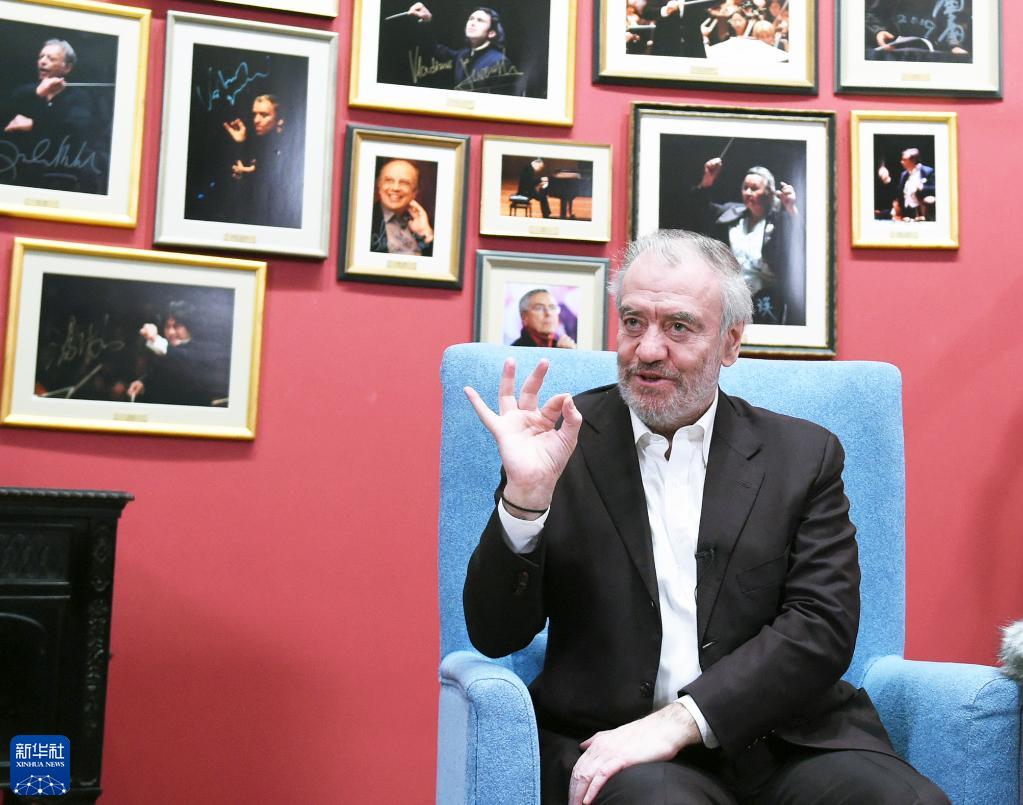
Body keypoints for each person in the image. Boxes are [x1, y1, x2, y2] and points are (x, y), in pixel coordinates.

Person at [463, 230, 950, 805]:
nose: (647, 350)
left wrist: (682, 720)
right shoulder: (561, 443)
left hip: (790, 740)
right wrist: (525, 500)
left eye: (679, 326)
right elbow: (495, 634)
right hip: (623, 747)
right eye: (633, 322)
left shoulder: (802, 456)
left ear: (730, 342)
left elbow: (821, 625)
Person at [687, 156, 805, 326]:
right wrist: (707, 181)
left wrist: (791, 208)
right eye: (745, 188)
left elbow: (803, 241)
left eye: (754, 188)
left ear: (770, 193)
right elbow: (697, 209)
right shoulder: (731, 214)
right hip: (732, 297)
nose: (748, 192)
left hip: (767, 299)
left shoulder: (780, 221)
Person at [1, 39, 105, 192]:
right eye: (41, 57)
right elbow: (6, 112)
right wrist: (37, 93)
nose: (42, 61)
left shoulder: (79, 98)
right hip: (19, 173)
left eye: (51, 58)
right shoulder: (26, 92)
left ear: (67, 68)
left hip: (59, 175)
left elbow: (74, 131)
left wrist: (33, 125)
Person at [127, 301, 229, 407]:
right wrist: (143, 383)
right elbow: (160, 374)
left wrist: (154, 338)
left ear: (190, 327)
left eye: (177, 326)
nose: (171, 332)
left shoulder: (203, 349)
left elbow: (181, 359)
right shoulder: (169, 352)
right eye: (167, 326)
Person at [221, 94, 301, 228]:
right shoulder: (257, 144)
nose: (256, 120)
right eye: (255, 114)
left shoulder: (292, 149)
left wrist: (252, 176)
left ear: (280, 121)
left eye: (264, 115)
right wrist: (240, 143)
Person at [405, 4, 522, 93]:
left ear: (491, 33)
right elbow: (433, 49)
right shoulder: (462, 55)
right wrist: (426, 20)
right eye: (471, 18)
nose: (472, 23)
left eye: (480, 20)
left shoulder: (499, 62)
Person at [865, 0, 972, 62]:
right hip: (893, 53)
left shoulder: (949, 3)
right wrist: (878, 32)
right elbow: (873, 14)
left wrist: (953, 46)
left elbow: (951, 26)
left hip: (931, 57)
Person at [370, 158, 433, 256]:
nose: (395, 188)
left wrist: (425, 234)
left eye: (404, 182)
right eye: (389, 180)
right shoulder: (364, 220)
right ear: (379, 186)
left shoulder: (424, 223)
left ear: (414, 192)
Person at [878, 147, 936, 222]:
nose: (901, 162)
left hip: (922, 209)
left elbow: (935, 188)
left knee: (930, 200)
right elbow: (898, 193)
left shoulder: (927, 171)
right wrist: (888, 181)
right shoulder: (904, 174)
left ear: (913, 160)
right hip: (908, 210)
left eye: (904, 160)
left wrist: (922, 187)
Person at [511, 289, 576, 349]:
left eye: (552, 307)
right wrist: (561, 355)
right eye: (539, 308)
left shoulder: (564, 345)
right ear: (524, 317)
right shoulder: (514, 350)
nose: (548, 313)